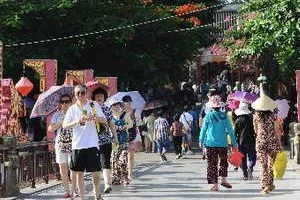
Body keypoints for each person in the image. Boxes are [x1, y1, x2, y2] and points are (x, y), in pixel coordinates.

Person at [63, 84, 107, 200]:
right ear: (75, 95)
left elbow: (104, 120)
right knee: (78, 173)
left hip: (92, 143)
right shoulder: (72, 109)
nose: (80, 95)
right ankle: (82, 197)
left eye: (82, 92)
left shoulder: (93, 105)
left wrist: (94, 117)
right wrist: (77, 121)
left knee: (96, 171)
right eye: (77, 93)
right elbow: (65, 125)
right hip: (77, 145)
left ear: (86, 93)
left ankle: (97, 193)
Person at [199, 95, 238, 191]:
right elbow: (230, 130)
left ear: (211, 106)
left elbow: (203, 130)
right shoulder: (224, 116)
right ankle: (223, 180)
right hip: (223, 144)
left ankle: (215, 185)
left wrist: (200, 140)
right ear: (220, 106)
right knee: (223, 162)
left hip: (210, 144)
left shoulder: (208, 116)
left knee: (212, 164)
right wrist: (234, 143)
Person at [251, 86, 282, 195]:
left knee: (263, 164)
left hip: (260, 142)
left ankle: (265, 185)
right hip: (272, 141)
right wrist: (279, 143)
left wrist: (259, 135)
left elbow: (255, 129)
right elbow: (277, 130)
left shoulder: (255, 116)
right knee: (270, 164)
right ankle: (270, 183)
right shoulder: (273, 116)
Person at [48, 94, 77, 198]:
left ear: (70, 102)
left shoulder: (75, 113)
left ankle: (74, 189)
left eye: (67, 101)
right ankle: (66, 191)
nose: (65, 104)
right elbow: (50, 129)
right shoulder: (57, 115)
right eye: (63, 102)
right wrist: (60, 123)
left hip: (73, 143)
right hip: (60, 144)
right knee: (62, 167)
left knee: (73, 167)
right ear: (60, 104)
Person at [91, 88, 117, 194]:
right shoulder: (90, 109)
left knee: (106, 163)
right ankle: (95, 187)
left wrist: (115, 136)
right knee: (95, 165)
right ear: (94, 97)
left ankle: (107, 184)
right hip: (92, 141)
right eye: (97, 95)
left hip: (105, 139)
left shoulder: (107, 109)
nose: (99, 97)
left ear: (104, 97)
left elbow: (111, 123)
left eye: (101, 95)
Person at [234, 102, 257, 180]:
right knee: (252, 156)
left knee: (243, 158)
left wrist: (234, 143)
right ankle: (250, 167)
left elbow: (235, 133)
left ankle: (245, 175)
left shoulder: (237, 121)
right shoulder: (251, 120)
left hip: (241, 142)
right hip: (251, 140)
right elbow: (255, 130)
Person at [122, 95, 142, 181]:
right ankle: (124, 172)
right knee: (123, 155)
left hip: (133, 135)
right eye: (126, 102)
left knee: (131, 155)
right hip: (122, 135)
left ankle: (130, 173)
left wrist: (134, 122)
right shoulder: (121, 112)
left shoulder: (135, 111)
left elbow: (139, 123)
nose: (128, 103)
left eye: (129, 101)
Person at [110, 99, 130, 185]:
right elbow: (107, 127)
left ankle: (125, 177)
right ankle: (116, 178)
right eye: (114, 105)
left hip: (124, 140)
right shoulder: (110, 117)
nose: (116, 106)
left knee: (123, 159)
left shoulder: (125, 115)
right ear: (111, 107)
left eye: (117, 105)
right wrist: (114, 128)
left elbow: (131, 124)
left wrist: (124, 126)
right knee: (114, 160)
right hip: (114, 142)